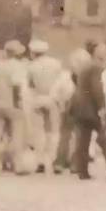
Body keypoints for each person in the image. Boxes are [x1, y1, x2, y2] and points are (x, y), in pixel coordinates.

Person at [70, 44, 106, 180]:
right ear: (98, 54)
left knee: (83, 141)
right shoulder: (96, 67)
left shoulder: (85, 66)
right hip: (91, 108)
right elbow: (96, 88)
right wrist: (101, 108)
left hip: (79, 107)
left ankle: (82, 171)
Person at [0, 40, 32, 175]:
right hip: (12, 103)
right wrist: (19, 103)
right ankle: (18, 164)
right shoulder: (18, 66)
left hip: (0, 103)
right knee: (17, 134)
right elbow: (16, 86)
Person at [27, 39, 65, 174]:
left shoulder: (31, 66)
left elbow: (30, 85)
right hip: (52, 98)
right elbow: (61, 83)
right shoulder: (56, 64)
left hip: (38, 98)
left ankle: (40, 161)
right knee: (53, 130)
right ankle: (53, 159)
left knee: (39, 131)